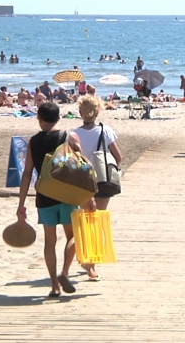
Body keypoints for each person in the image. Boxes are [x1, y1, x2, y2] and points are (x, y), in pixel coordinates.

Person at [16, 102, 93, 297]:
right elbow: (82, 168)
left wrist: (21, 203)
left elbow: (26, 174)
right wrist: (88, 196)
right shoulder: (69, 137)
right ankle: (65, 272)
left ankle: (54, 286)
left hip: (45, 196)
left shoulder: (33, 142)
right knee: (73, 236)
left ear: (39, 119)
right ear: (59, 118)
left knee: (49, 242)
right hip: (68, 194)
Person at [73, 96, 123, 280]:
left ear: (80, 112)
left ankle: (87, 258)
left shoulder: (74, 133)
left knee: (86, 219)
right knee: (97, 219)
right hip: (102, 180)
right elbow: (118, 156)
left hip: (82, 181)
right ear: (98, 111)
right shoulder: (106, 131)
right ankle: (91, 264)